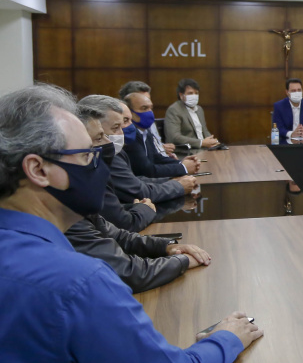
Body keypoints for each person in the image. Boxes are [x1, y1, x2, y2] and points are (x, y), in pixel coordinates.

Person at [0, 84, 262, 363]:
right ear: (38, 169)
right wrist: (227, 338)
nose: (101, 163)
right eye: (87, 155)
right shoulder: (81, 282)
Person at [66, 101, 211, 293]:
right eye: (98, 139)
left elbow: (114, 233)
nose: (109, 143)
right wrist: (181, 260)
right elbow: (129, 272)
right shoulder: (59, 211)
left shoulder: (74, 199)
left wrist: (166, 247)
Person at [78, 95, 160, 231]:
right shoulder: (93, 164)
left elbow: (106, 216)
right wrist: (144, 210)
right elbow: (123, 223)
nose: (108, 141)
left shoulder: (106, 156)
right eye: (117, 127)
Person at [109, 100, 195, 204]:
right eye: (125, 120)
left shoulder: (142, 135)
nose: (131, 126)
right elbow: (141, 188)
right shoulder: (112, 154)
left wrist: (172, 180)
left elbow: (136, 179)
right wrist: (179, 185)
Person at [124, 91, 200, 178]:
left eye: (150, 108)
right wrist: (183, 168)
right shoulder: (130, 136)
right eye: (144, 108)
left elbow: (157, 158)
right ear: (129, 113)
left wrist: (181, 162)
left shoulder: (146, 131)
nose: (149, 112)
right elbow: (147, 170)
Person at [119, 80, 176, 156]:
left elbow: (157, 142)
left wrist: (164, 150)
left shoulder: (148, 121)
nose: (149, 111)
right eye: (144, 107)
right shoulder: (125, 128)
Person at [165, 78, 219, 149]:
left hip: (204, 149)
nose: (194, 96)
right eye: (190, 93)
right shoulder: (174, 110)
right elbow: (174, 137)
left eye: (196, 93)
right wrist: (201, 143)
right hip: (188, 152)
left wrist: (213, 141)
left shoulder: (199, 109)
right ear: (181, 95)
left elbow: (204, 131)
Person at [273, 78, 303, 144]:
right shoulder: (279, 106)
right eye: (293, 91)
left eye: (299, 90)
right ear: (287, 92)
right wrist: (291, 134)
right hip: (286, 145)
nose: (297, 93)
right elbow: (279, 128)